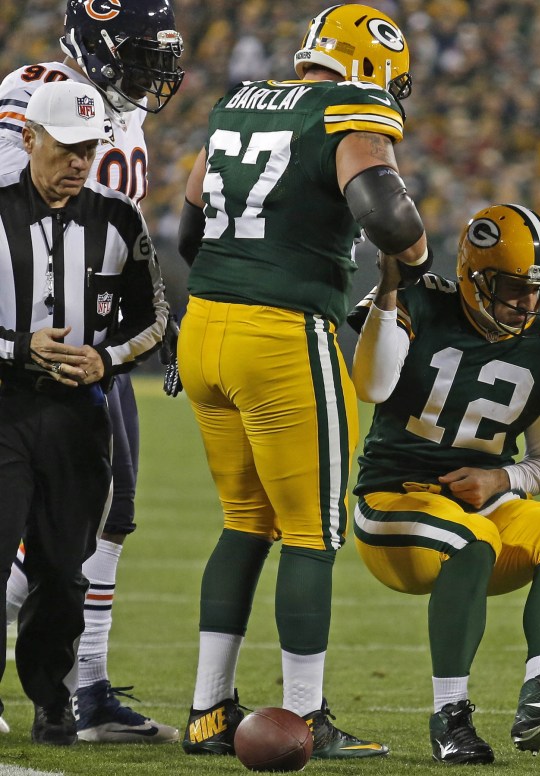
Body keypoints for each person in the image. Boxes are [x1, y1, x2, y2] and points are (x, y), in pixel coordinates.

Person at [175, 4, 431, 760]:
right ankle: (306, 714)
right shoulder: (349, 110)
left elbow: (188, 233)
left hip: (204, 328)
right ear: (371, 67)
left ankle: (207, 711)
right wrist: (415, 263)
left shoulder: (237, 103)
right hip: (279, 334)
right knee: (311, 533)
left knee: (243, 521)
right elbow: (388, 217)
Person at [347, 203, 540, 764]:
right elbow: (371, 386)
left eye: (538, 289)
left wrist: (502, 477)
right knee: (471, 539)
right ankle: (450, 716)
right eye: (514, 286)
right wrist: (387, 293)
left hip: (477, 507)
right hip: (394, 499)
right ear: (474, 275)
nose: (527, 302)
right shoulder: (420, 303)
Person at [0, 0, 184, 743]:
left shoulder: (119, 112)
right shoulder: (35, 91)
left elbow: (125, 249)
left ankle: (87, 690)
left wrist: (119, 346)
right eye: (137, 54)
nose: (149, 72)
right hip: (18, 362)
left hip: (94, 358)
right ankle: (77, 688)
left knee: (105, 521)